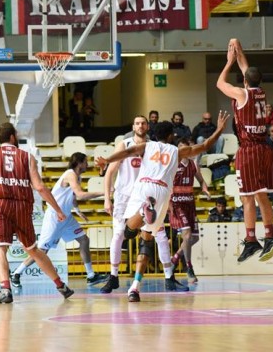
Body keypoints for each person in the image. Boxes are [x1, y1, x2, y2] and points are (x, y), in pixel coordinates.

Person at [96, 113, 229, 302]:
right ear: (170, 136)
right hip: (161, 193)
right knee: (147, 242)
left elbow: (126, 152)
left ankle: (134, 285)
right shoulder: (177, 151)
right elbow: (206, 145)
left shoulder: (147, 146)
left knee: (127, 232)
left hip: (143, 188)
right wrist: (219, 130)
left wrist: (107, 160)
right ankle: (135, 287)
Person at [0, 123, 74, 303]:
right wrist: (57, 210)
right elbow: (39, 187)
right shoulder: (27, 157)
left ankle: (5, 289)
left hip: (1, 205)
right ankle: (60, 284)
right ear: (11, 137)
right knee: (33, 250)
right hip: (23, 206)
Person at [100, 115, 187, 294]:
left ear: (148, 126)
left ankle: (169, 277)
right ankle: (113, 276)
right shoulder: (125, 144)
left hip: (149, 196)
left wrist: (166, 200)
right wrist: (107, 198)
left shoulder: (154, 146)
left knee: (160, 236)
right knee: (119, 235)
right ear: (133, 126)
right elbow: (109, 172)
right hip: (125, 196)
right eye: (137, 123)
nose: (140, 126)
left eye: (143, 123)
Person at [216, 38, 273, 263]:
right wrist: (238, 47)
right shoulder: (260, 92)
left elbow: (220, 83)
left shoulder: (242, 94)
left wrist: (228, 61)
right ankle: (270, 236)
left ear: (244, 81)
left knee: (246, 197)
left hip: (249, 150)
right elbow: (247, 69)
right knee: (262, 196)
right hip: (265, 148)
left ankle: (252, 239)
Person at [10, 153, 107, 287]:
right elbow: (80, 194)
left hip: (66, 217)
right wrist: (104, 193)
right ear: (79, 163)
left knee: (84, 239)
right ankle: (16, 273)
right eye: (85, 162)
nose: (87, 165)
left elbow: (72, 197)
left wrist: (78, 212)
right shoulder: (70, 174)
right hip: (55, 216)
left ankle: (91, 275)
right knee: (42, 251)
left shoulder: (77, 177)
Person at [168, 137, 208, 283]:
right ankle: (189, 267)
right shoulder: (173, 164)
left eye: (183, 146)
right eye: (178, 146)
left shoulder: (192, 164)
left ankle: (175, 258)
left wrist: (204, 188)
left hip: (190, 204)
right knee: (187, 235)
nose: (180, 149)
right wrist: (168, 204)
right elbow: (166, 184)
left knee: (194, 238)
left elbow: (201, 180)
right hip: (177, 204)